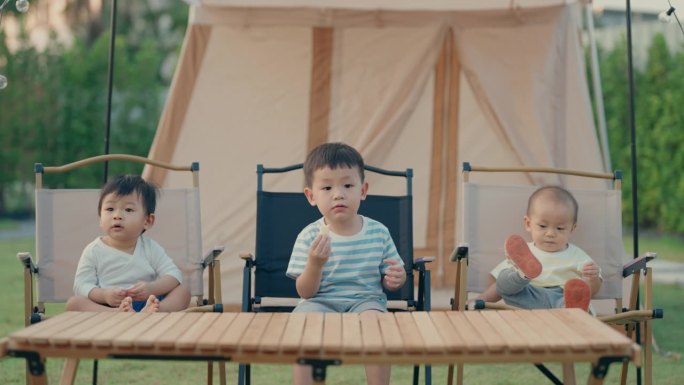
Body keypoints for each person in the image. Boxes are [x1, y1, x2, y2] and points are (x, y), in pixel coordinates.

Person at [286, 142, 406, 385]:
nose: (338, 194)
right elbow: (305, 292)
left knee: (378, 327)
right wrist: (315, 264)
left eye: (348, 185)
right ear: (311, 196)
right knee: (302, 327)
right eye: (327, 187)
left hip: (366, 301)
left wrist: (396, 278)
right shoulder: (309, 236)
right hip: (319, 302)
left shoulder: (378, 232)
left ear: (363, 190)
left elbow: (392, 279)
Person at [66, 175, 190, 313]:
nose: (117, 215)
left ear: (147, 221)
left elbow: (174, 275)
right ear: (100, 219)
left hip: (147, 302)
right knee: (74, 303)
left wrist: (152, 288)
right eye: (110, 209)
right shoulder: (93, 250)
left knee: (183, 291)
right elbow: (81, 285)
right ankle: (116, 314)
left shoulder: (150, 248)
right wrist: (104, 295)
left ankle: (156, 311)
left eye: (128, 210)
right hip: (108, 306)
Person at [474, 185, 602, 312]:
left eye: (560, 228)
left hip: (561, 298)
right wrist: (481, 300)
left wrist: (592, 278)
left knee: (575, 297)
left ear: (572, 229)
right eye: (542, 226)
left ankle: (570, 308)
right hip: (529, 297)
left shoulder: (577, 256)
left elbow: (593, 290)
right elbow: (499, 287)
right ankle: (522, 275)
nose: (550, 233)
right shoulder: (521, 251)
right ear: (528, 224)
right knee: (506, 283)